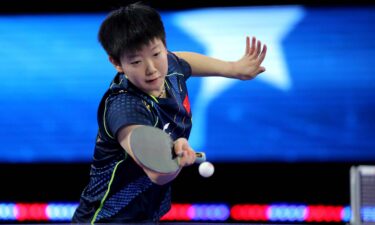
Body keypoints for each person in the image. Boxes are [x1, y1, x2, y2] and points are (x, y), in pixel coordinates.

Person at [72, 2, 267, 223]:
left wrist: (232, 69)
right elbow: (158, 173)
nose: (151, 68)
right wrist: (176, 158)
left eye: (156, 53)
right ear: (117, 63)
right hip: (107, 219)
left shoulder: (169, 66)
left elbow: (182, 60)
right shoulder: (124, 107)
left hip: (147, 213)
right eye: (136, 61)